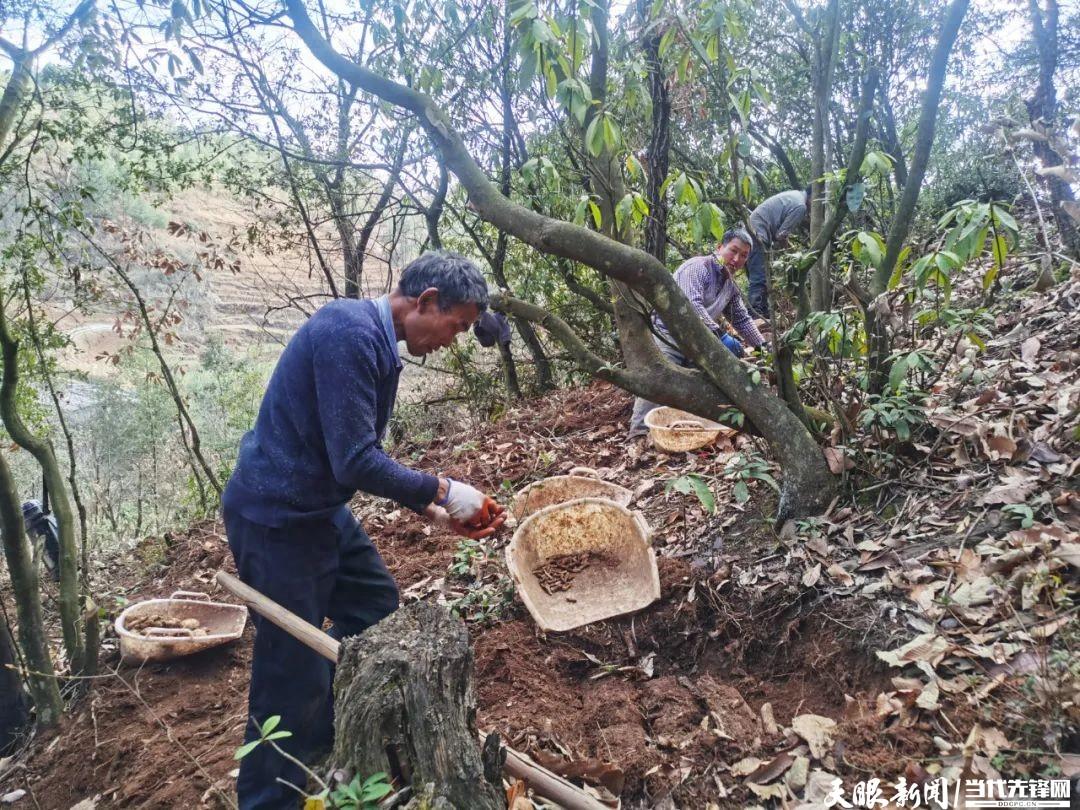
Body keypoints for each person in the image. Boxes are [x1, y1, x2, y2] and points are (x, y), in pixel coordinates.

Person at [222, 251, 506, 809]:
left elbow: (349, 455)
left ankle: (331, 733)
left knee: (374, 602)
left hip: (318, 507)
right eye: (457, 326)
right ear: (426, 302)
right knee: (289, 666)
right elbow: (355, 459)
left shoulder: (377, 342)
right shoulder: (348, 334)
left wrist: (429, 509)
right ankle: (265, 799)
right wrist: (444, 490)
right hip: (276, 518)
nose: (453, 340)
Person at [628, 228, 766, 438]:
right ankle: (638, 434)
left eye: (744, 256)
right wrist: (720, 336)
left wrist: (762, 347)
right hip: (669, 335)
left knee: (701, 385)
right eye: (733, 251)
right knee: (659, 379)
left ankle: (686, 431)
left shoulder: (729, 285)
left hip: (698, 342)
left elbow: (741, 318)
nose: (737, 259)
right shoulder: (698, 267)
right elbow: (691, 306)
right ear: (720, 247)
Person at [745, 187, 812, 318]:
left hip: (754, 230)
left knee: (763, 276)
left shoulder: (795, 196)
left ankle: (762, 313)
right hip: (758, 233)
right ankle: (755, 315)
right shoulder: (800, 206)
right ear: (812, 197)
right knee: (759, 278)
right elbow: (781, 235)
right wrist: (790, 254)